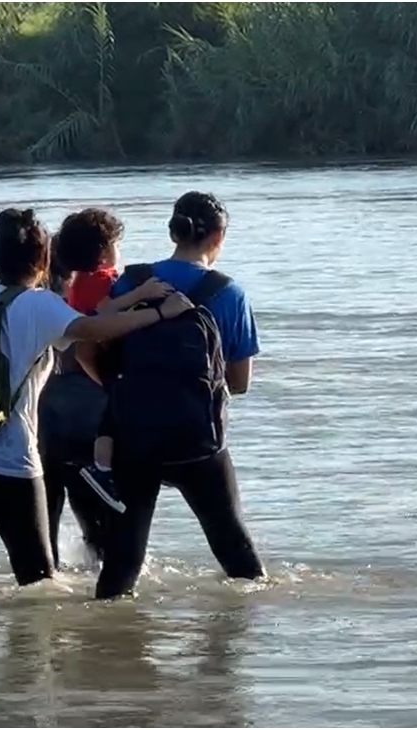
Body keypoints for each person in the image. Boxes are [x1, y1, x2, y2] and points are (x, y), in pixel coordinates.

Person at [0, 207, 196, 598]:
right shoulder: (38, 304)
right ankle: (31, 660)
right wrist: (160, 312)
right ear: (45, 259)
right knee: (38, 586)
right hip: (7, 463)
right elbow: (94, 330)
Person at [90, 191, 265, 599]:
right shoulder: (229, 293)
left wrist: (124, 393)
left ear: (173, 232)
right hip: (198, 440)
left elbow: (94, 343)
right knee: (237, 556)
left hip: (133, 437)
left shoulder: (133, 282)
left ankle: (104, 647)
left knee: (123, 561)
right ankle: (236, 646)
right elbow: (239, 383)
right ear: (219, 237)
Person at [39, 209, 171, 565]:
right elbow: (94, 344)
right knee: (102, 532)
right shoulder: (102, 288)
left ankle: (47, 586)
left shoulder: (44, 297)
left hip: (43, 418)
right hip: (89, 415)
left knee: (44, 529)